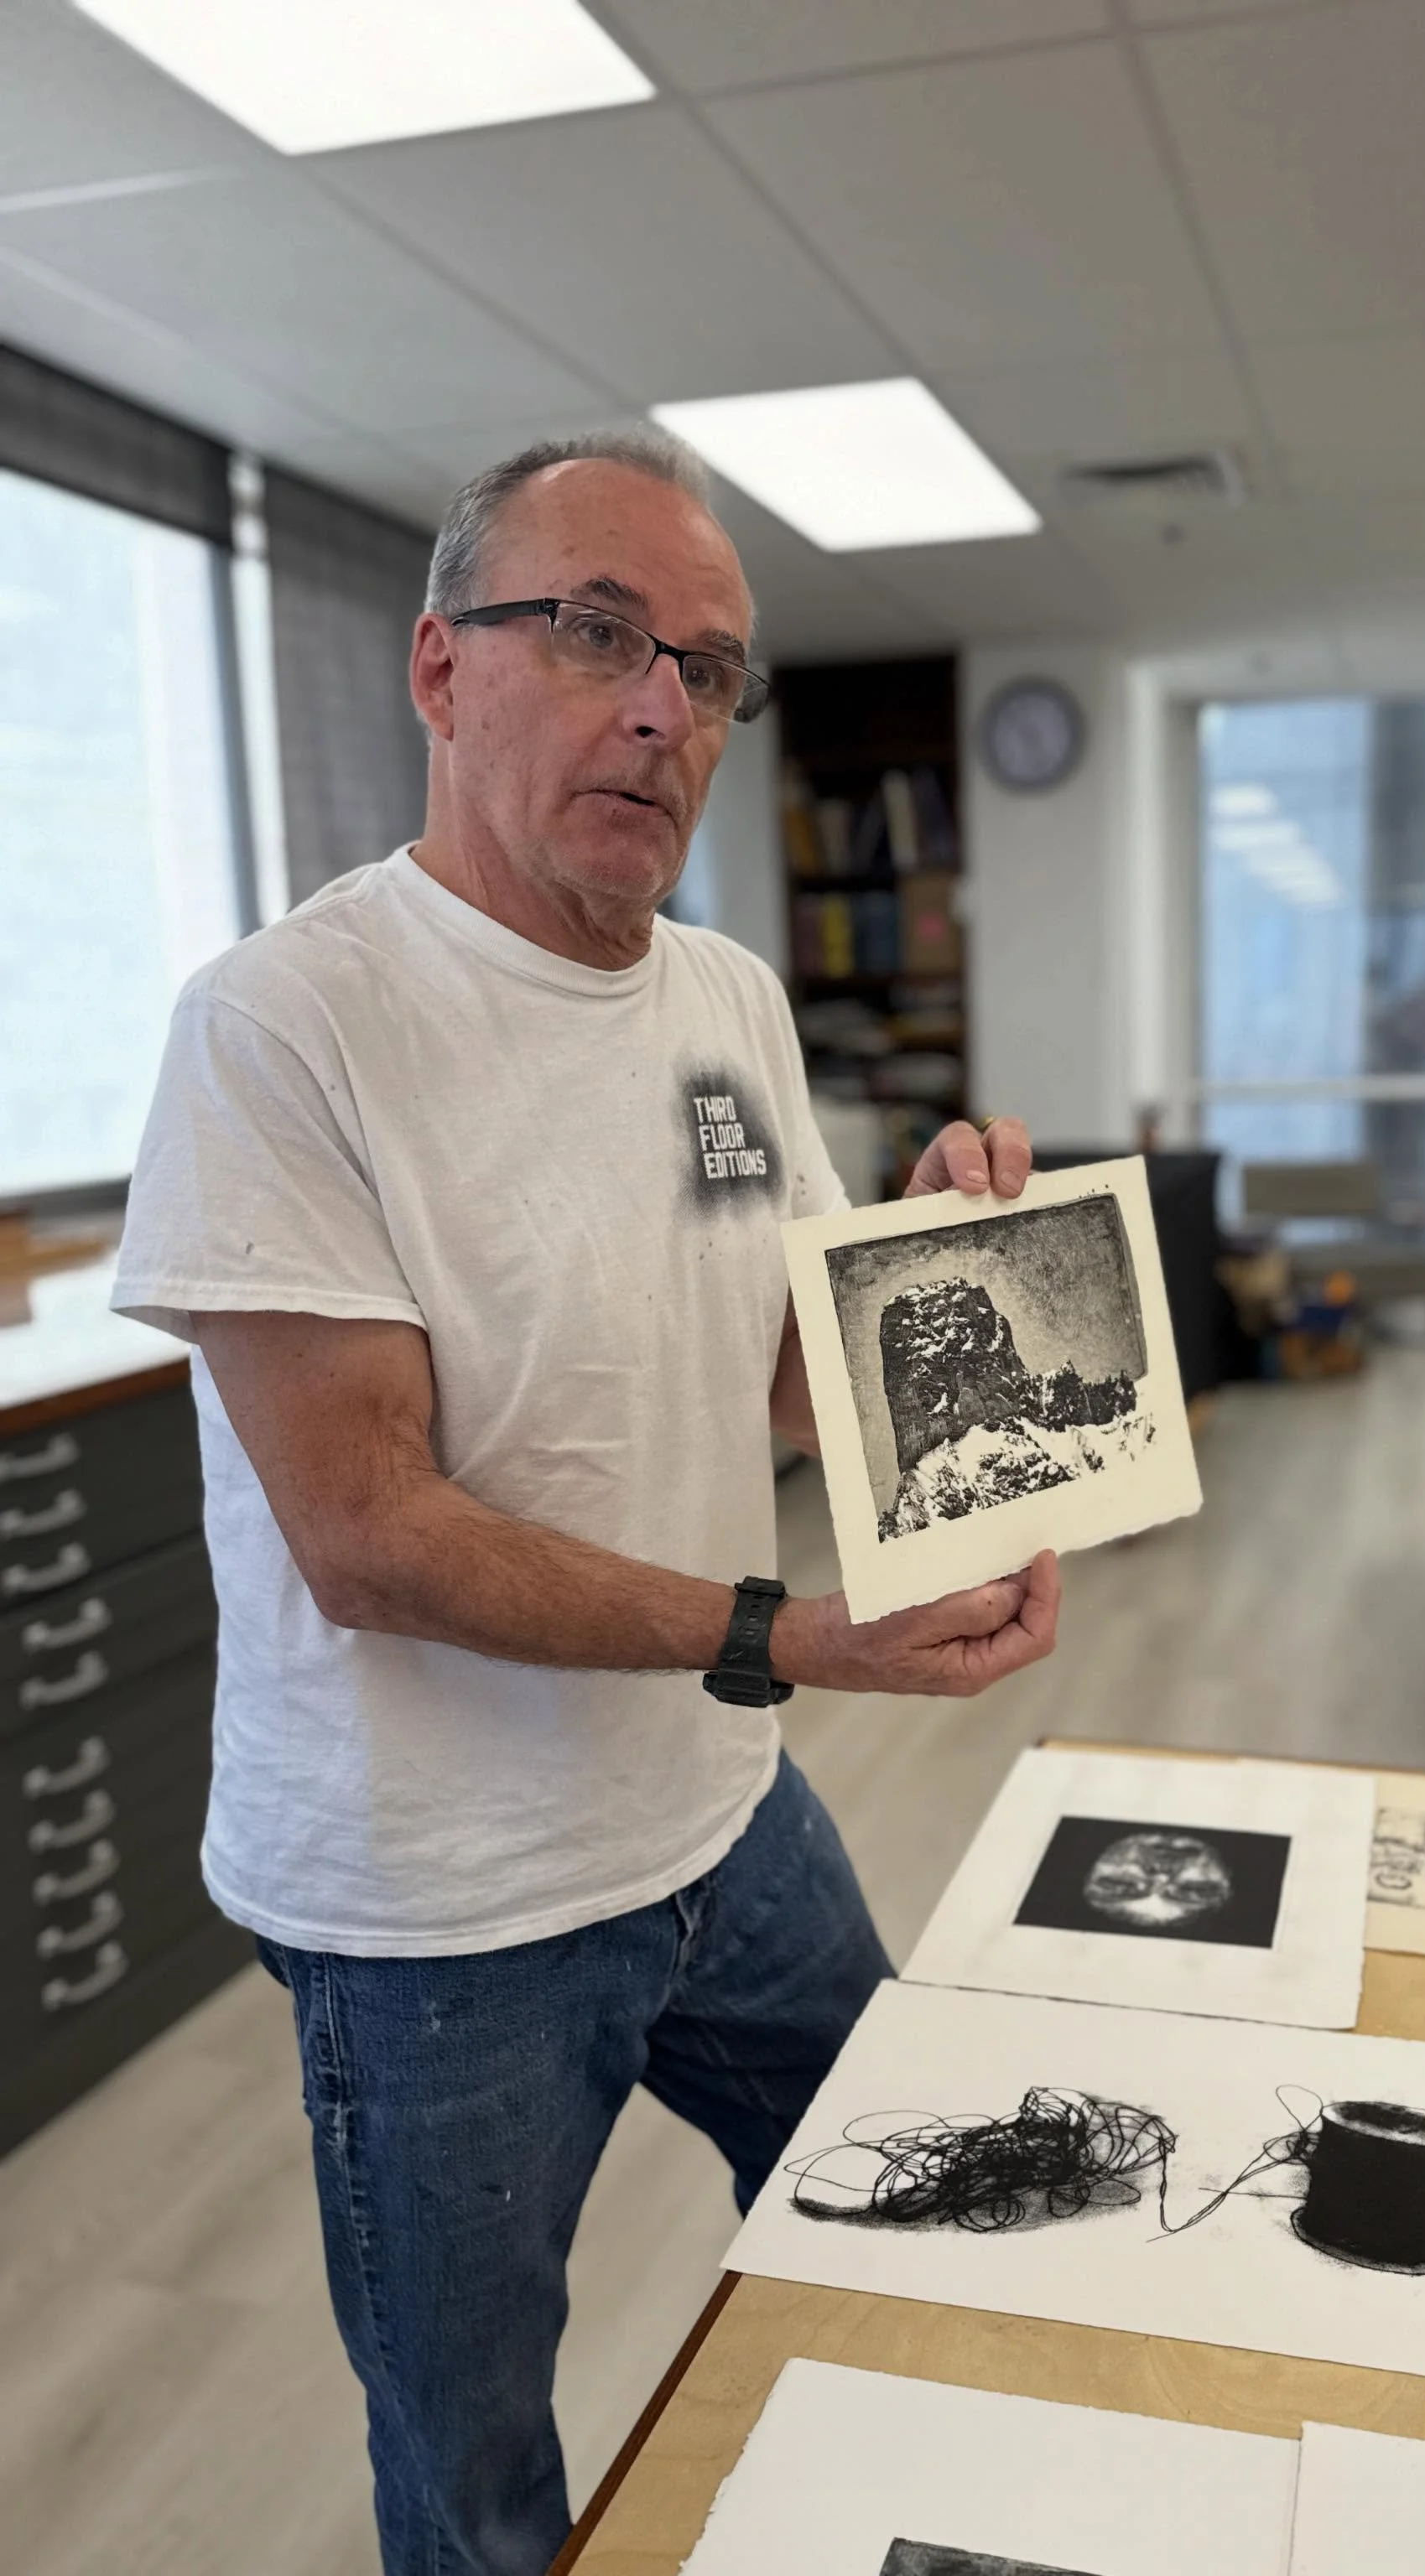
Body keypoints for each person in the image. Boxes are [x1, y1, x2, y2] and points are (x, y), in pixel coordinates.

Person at [112, 428, 1061, 2576]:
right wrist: (787, 1638)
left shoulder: (726, 1000)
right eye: (602, 634)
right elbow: (370, 1536)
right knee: (478, 2475)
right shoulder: (288, 1027)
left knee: (915, 2194)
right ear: (444, 672)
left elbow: (783, 1374)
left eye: (712, 671)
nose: (663, 707)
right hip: (437, 1909)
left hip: (717, 1815)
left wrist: (930, 1284)